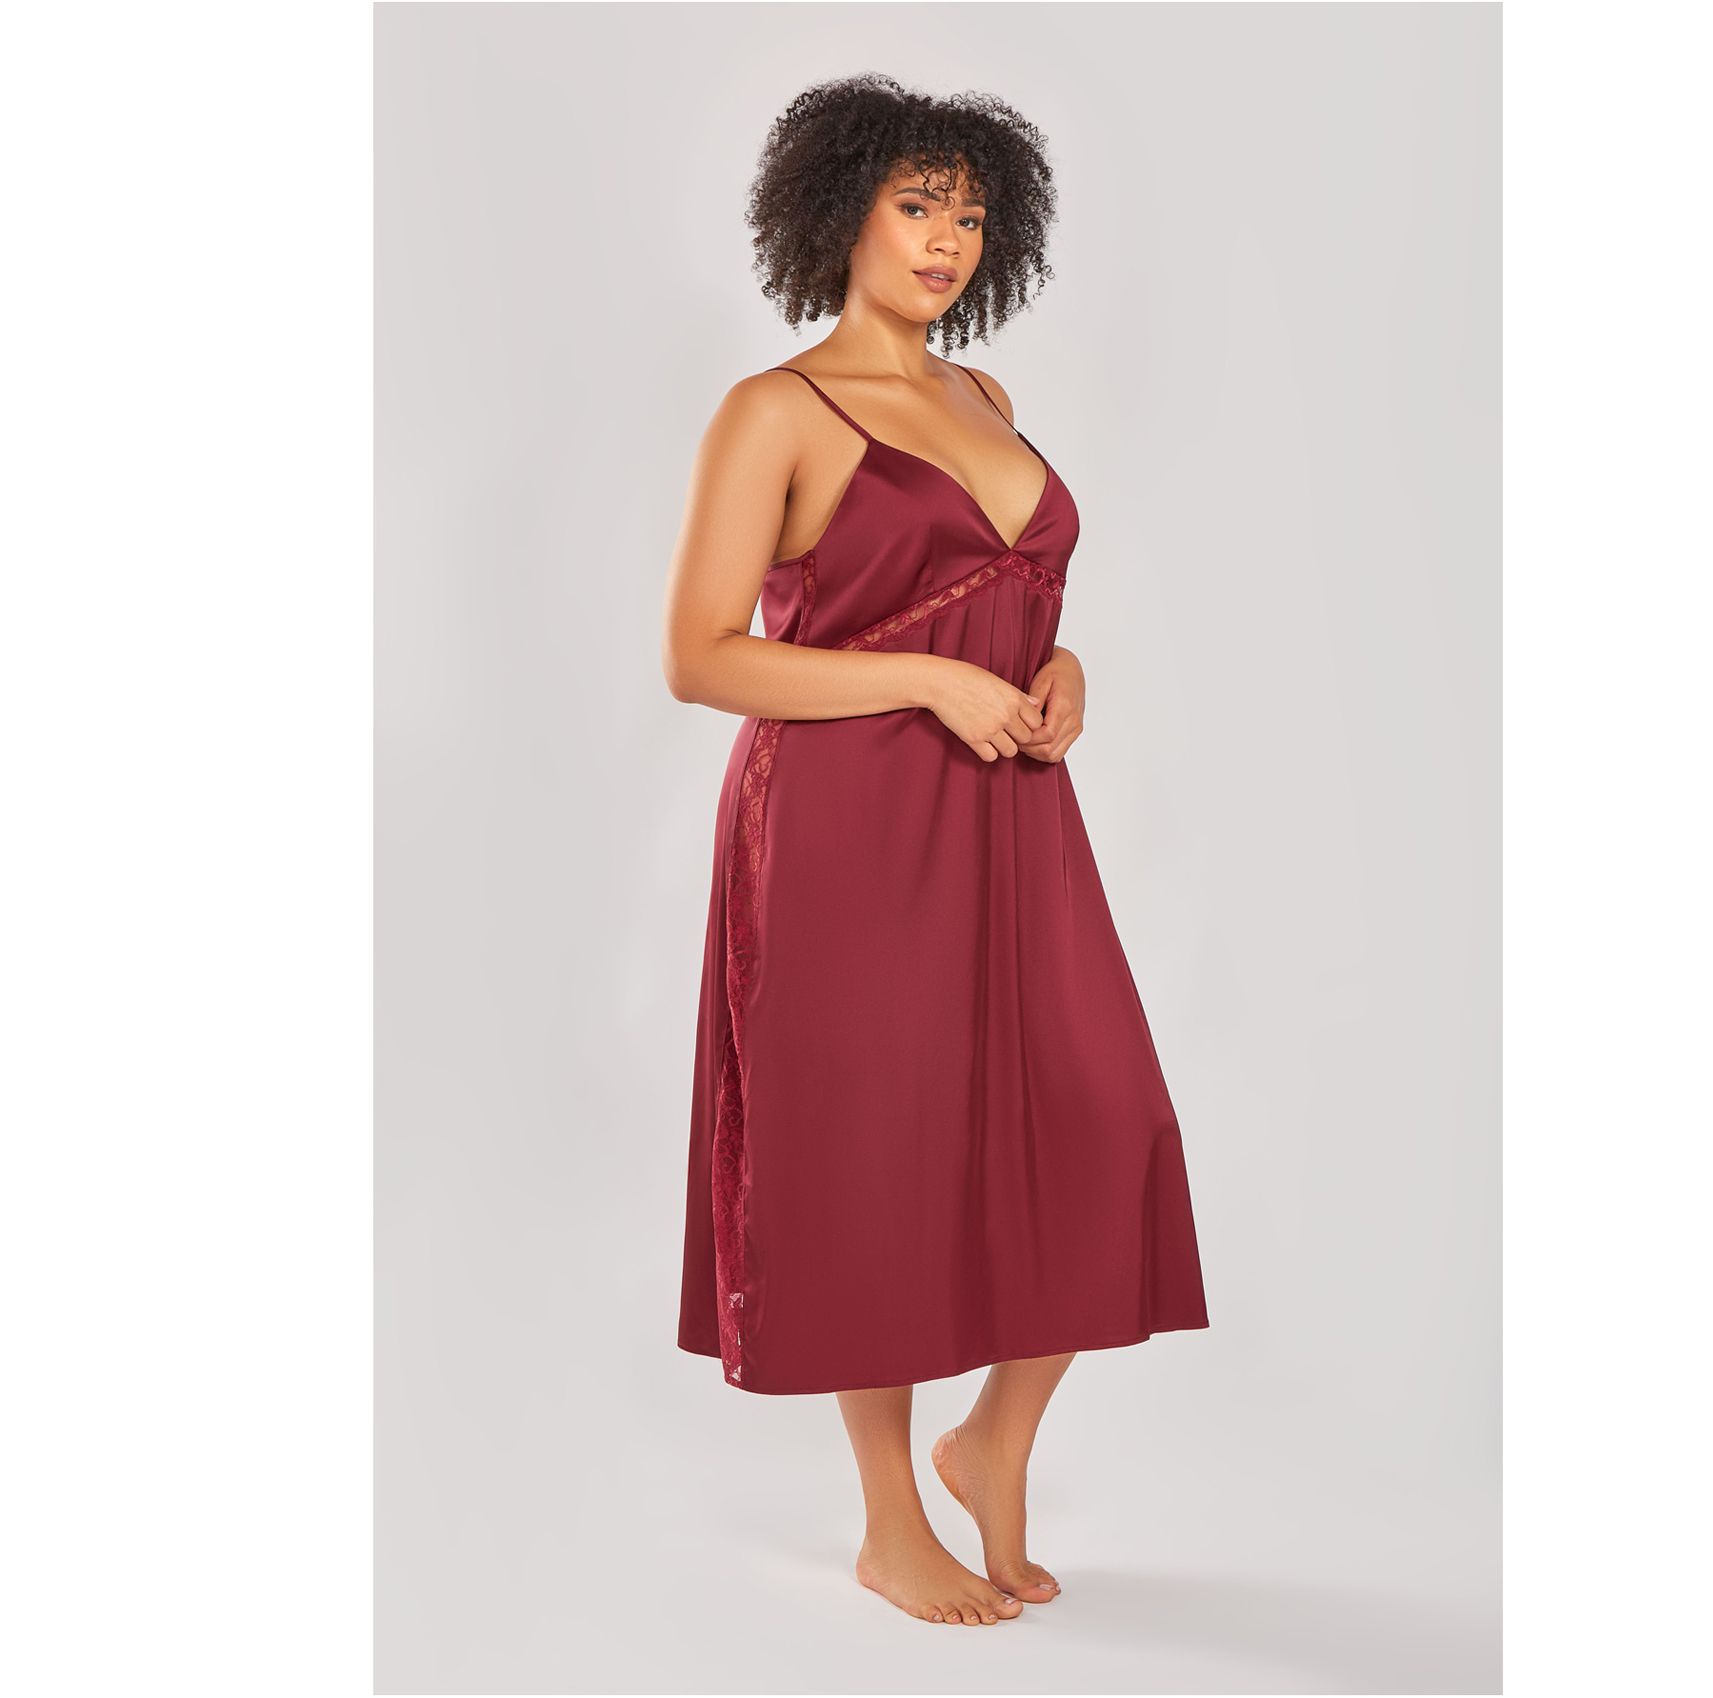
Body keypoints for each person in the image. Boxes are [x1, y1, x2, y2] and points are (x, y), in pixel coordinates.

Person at [661, 74, 1210, 1628]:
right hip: (843, 820)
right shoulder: (774, 410)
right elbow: (700, 656)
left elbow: (1015, 600)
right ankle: (889, 1516)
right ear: (837, 212)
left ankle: (990, 1442)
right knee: (876, 1149)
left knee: (1106, 1115)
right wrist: (923, 680)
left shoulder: (984, 401)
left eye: (968, 214)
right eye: (916, 204)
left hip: (1009, 804)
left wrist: (1061, 671)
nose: (945, 238)